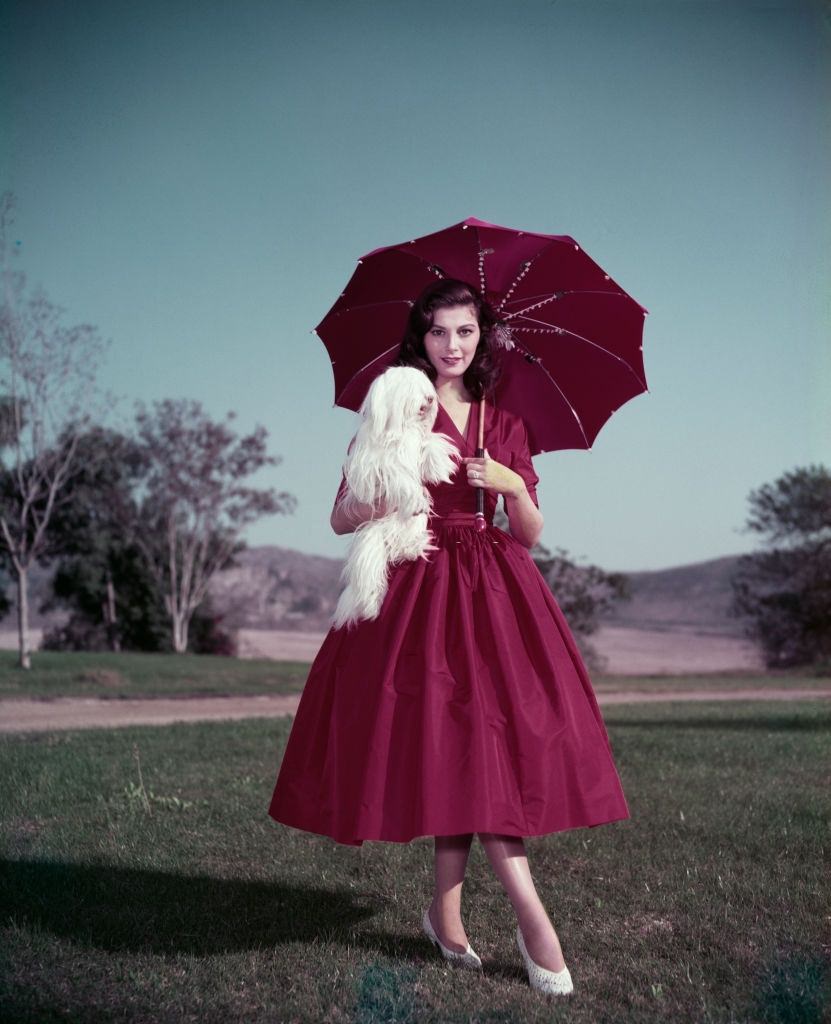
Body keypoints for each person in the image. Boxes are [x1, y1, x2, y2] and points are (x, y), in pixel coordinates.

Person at [268, 278, 630, 997]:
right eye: (438, 332)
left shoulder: (506, 423)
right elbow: (341, 517)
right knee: (447, 746)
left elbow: (526, 535)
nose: (452, 345)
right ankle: (528, 921)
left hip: (493, 594)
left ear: (482, 337)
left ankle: (447, 915)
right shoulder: (395, 411)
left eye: (464, 332)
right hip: (415, 586)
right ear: (420, 339)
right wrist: (396, 479)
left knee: (481, 746)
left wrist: (508, 484)